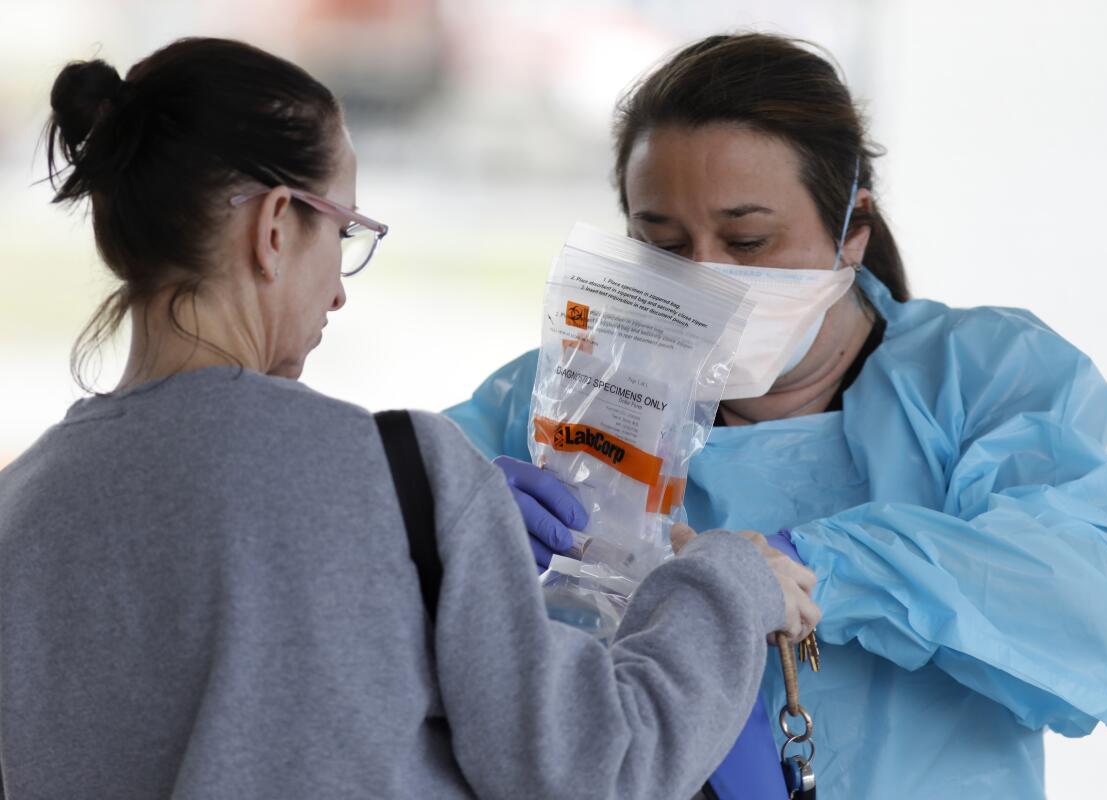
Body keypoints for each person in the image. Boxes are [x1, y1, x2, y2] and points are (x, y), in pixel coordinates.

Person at [0, 38, 821, 800]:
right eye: (347, 230)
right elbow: (597, 769)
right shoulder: (400, 475)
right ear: (275, 227)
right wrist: (731, 583)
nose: (340, 289)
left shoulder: (20, 512)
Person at [445, 33, 1107, 799]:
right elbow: (367, 583)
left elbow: (1082, 602)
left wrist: (802, 565)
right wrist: (462, 542)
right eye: (662, 244)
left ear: (852, 228)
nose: (706, 276)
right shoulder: (563, 401)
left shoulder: (983, 378)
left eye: (748, 240)